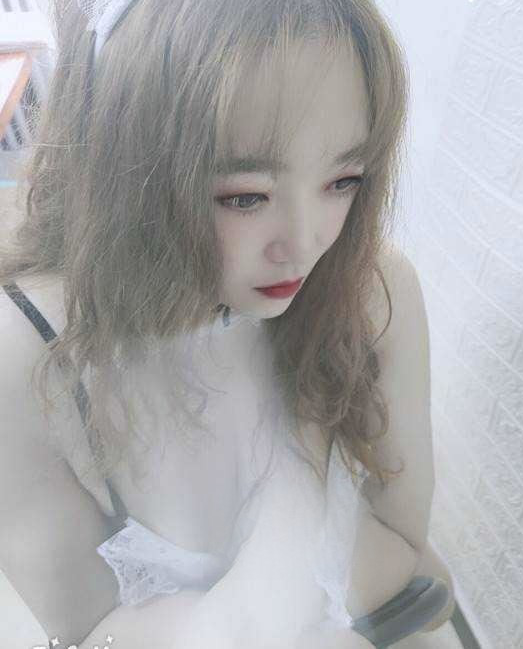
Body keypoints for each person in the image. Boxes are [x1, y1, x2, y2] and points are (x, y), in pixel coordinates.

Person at [0, 0, 443, 647]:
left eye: (344, 180)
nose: (305, 243)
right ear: (125, 173)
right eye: (245, 196)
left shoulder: (371, 288)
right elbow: (84, 627)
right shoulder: (28, 350)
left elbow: (407, 544)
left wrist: (296, 469)